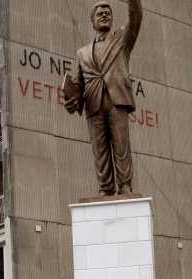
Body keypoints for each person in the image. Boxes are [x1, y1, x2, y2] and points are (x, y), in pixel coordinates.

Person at [64, 0, 143, 196]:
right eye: (99, 13)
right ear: (92, 21)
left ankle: (125, 186)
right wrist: (71, 102)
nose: (104, 15)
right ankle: (105, 188)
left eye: (108, 12)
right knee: (99, 151)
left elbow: (136, 16)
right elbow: (76, 84)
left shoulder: (122, 39)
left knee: (121, 145)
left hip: (117, 101)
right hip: (93, 103)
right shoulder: (82, 53)